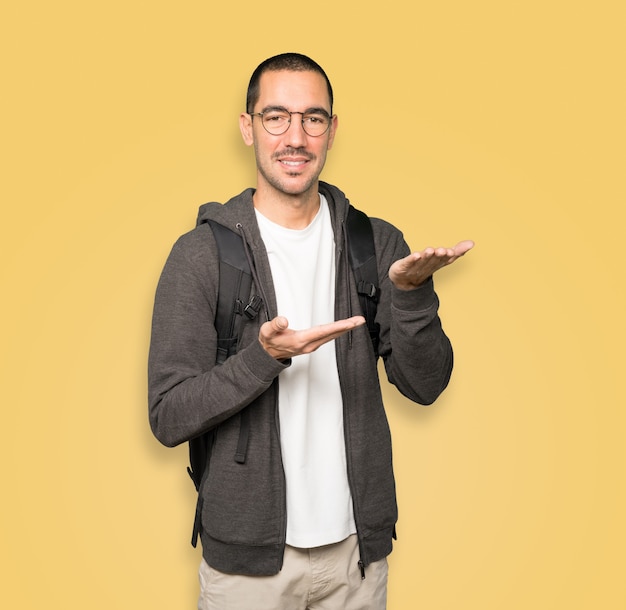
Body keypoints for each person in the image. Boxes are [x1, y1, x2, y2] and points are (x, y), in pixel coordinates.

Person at [148, 52, 473, 610]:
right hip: (246, 571)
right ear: (248, 127)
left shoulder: (377, 245)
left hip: (356, 559)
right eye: (276, 117)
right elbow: (168, 416)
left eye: (312, 118)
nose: (294, 136)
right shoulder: (201, 256)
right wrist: (262, 357)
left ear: (331, 129)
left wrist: (413, 297)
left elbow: (425, 386)